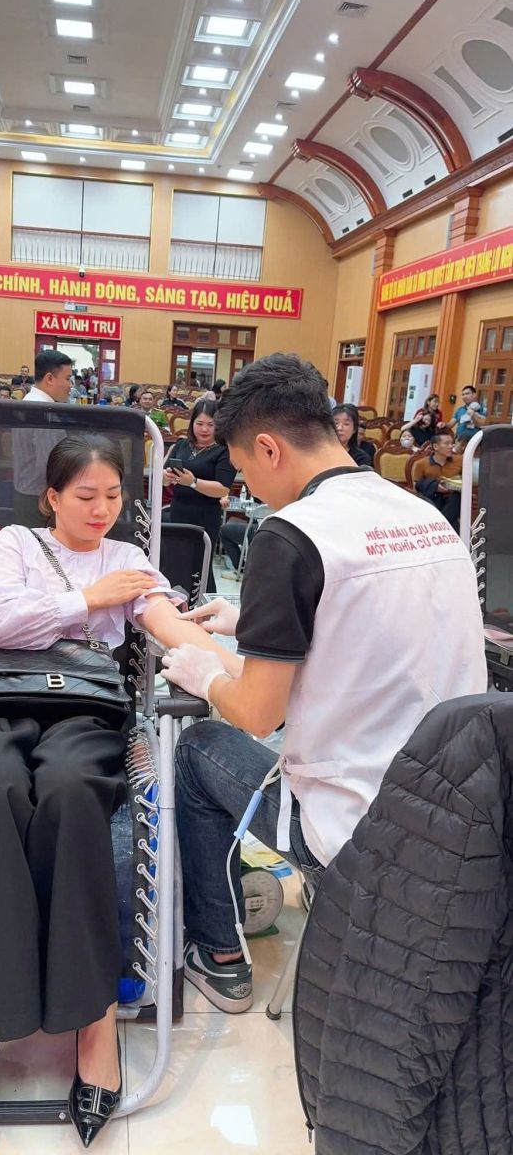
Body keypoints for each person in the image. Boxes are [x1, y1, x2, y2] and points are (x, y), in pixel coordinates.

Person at [0, 434, 241, 1151]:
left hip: (86, 709)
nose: (101, 510)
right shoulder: (15, 545)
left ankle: (93, 1019)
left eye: (113, 497)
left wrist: (240, 672)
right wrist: (88, 599)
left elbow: (164, 622)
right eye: (86, 496)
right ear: (52, 497)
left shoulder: (130, 558)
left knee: (70, 791)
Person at [160, 353, 487, 1014]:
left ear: (268, 448)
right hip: (454, 819)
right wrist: (256, 624)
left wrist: (205, 670)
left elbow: (258, 713)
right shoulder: (422, 514)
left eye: (245, 471)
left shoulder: (291, 535)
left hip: (357, 827)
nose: (249, 488)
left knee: (197, 751)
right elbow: (380, 627)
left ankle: (218, 953)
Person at [163, 399, 236, 593]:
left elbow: (223, 488)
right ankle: (178, 603)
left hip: (205, 516)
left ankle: (203, 605)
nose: (204, 429)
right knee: (177, 563)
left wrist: (193, 482)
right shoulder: (182, 445)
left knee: (200, 565)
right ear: (192, 423)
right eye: (200, 423)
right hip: (178, 512)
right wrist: (166, 477)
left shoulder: (224, 451)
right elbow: (163, 478)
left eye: (211, 424)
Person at [12, 349, 75, 526]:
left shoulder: (28, 402)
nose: (70, 385)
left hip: (26, 493)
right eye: (67, 378)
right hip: (40, 500)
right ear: (49, 378)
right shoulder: (43, 412)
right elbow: (48, 464)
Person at [412, 432, 463, 530]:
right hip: (433, 498)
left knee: (455, 499)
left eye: (452, 443)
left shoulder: (460, 461)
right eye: (446, 444)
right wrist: (434, 486)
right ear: (435, 446)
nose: (450, 446)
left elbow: (469, 480)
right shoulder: (421, 464)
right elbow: (416, 486)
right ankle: (445, 528)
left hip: (454, 499)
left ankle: (441, 527)